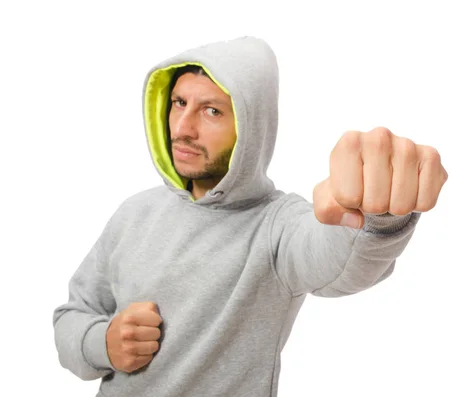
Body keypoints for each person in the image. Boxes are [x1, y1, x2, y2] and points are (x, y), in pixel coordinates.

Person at [52, 35, 448, 397]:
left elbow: (342, 259)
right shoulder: (134, 212)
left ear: (250, 126)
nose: (183, 128)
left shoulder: (278, 226)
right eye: (179, 103)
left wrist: (377, 216)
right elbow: (71, 316)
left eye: (211, 111)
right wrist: (102, 342)